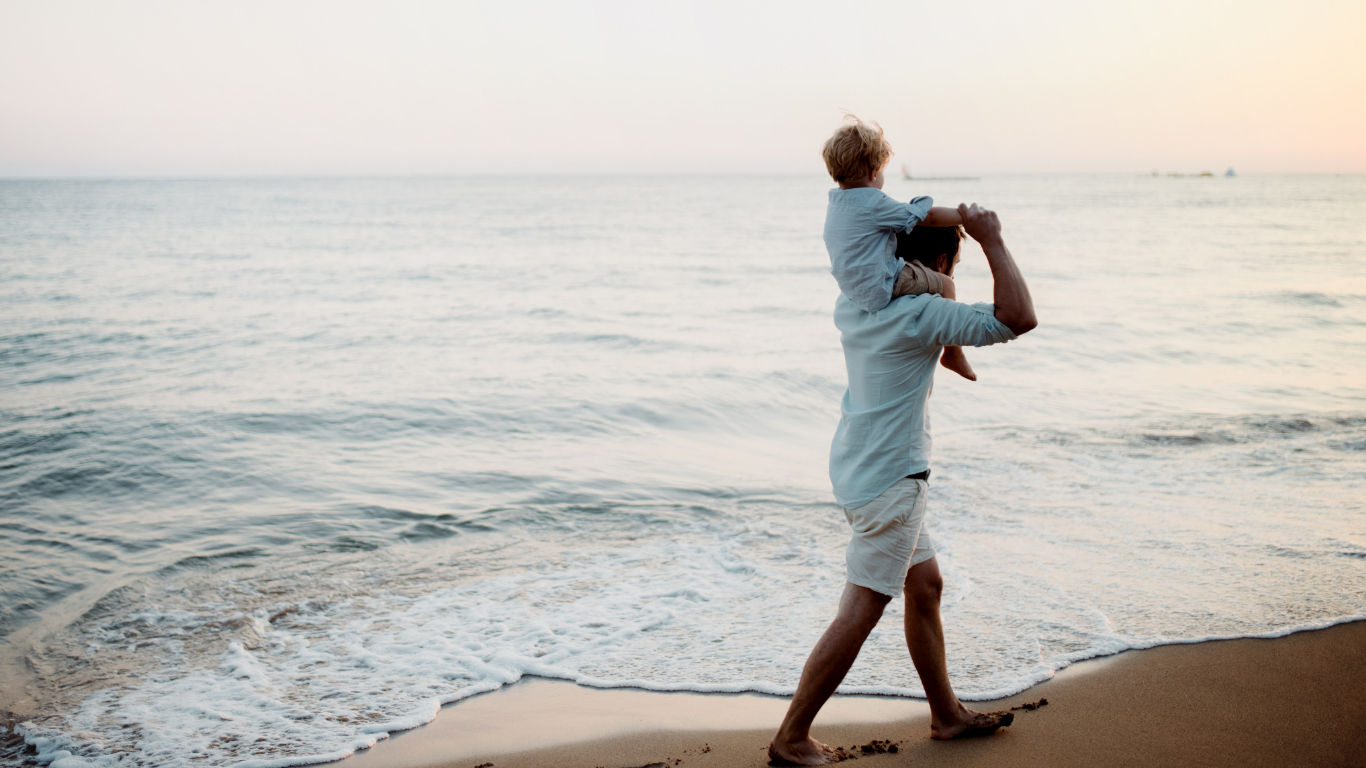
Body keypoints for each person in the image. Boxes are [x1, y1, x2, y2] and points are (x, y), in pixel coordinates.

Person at [768, 201, 1037, 765]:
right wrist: (992, 239)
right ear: (940, 263)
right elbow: (1018, 317)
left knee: (926, 584)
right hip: (894, 481)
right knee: (862, 607)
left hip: (858, 468)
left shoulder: (856, 302)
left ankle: (947, 715)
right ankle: (792, 736)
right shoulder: (921, 315)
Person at [821, 115, 977, 382]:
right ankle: (953, 353)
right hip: (881, 286)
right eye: (882, 170)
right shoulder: (873, 202)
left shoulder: (835, 204)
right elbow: (926, 219)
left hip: (850, 288)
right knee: (947, 286)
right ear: (873, 172)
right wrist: (966, 216)